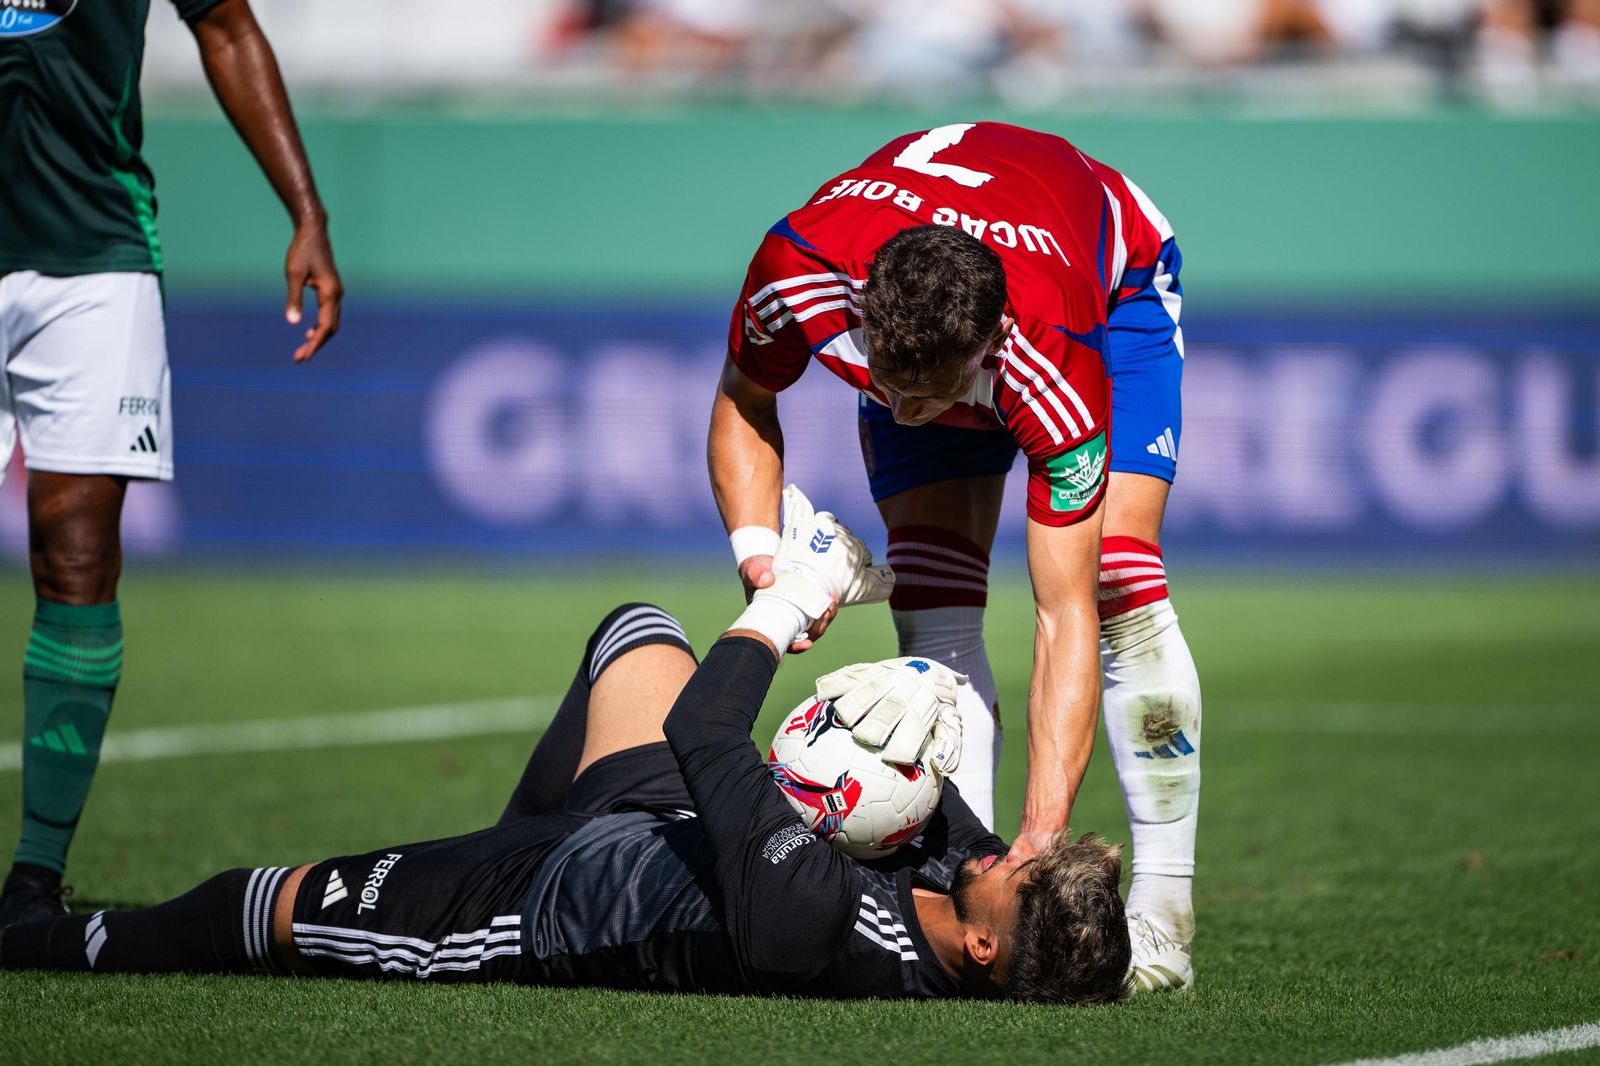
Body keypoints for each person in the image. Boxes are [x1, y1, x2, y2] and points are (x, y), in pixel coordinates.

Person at [0, 489, 1130, 1004]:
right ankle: (512, 823)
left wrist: (789, 605)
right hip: (665, 819)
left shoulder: (815, 925)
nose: (1003, 846)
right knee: (635, 633)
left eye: (1016, 871)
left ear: (985, 950)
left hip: (547, 898)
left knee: (264, 907)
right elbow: (921, 792)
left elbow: (705, 729)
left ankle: (47, 941)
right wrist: (917, 703)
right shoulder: (956, 881)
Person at [707, 121, 1200, 991]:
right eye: (883, 382)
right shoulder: (799, 269)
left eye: (927, 397)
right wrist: (760, 559)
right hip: (948, 290)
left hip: (1109, 278)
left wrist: (1044, 838)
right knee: (933, 601)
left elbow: (1062, 615)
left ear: (990, 344)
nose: (898, 413)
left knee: (1117, 575)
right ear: (867, 308)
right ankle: (955, 881)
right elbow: (746, 396)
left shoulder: (1050, 360)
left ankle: (1164, 914)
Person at [0, 0, 343, 924]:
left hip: (94, 249)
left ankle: (33, 878)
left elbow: (226, 26)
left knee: (77, 555)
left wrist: (304, 210)